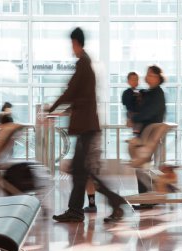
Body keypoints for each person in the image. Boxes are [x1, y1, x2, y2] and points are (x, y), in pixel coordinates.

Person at [49, 27, 126, 223]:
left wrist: (52, 109)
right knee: (81, 171)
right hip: (87, 126)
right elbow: (78, 96)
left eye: (71, 44)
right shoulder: (86, 63)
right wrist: (60, 110)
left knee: (82, 170)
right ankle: (79, 209)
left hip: (86, 127)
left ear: (75, 42)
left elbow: (70, 91)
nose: (71, 48)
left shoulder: (83, 63)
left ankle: (112, 202)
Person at [131, 65, 166, 210]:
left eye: (151, 75)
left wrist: (135, 118)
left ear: (158, 78)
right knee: (143, 166)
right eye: (147, 74)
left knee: (141, 166)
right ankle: (149, 198)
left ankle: (147, 199)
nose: (147, 76)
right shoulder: (150, 93)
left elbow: (149, 113)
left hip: (150, 136)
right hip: (146, 135)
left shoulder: (157, 94)